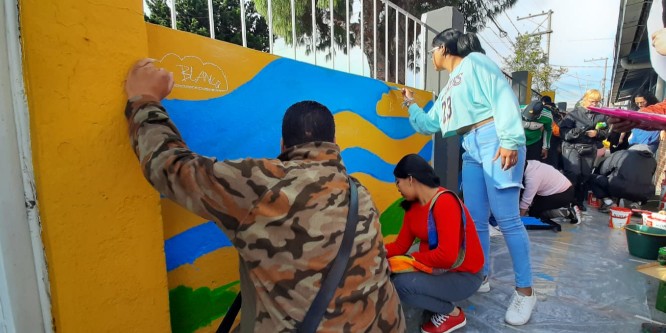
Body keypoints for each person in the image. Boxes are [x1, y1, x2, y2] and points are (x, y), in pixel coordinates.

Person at [123, 59, 405, 332]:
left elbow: (170, 166)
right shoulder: (360, 192)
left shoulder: (262, 185)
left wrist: (144, 98)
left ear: (283, 144)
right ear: (333, 145)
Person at [401, 28, 536, 326]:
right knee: (475, 219)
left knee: (507, 218)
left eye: (432, 50)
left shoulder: (475, 62)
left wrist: (510, 140)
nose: (432, 57)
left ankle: (525, 291)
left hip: (494, 137)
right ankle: (482, 273)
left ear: (444, 48)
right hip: (470, 146)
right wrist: (410, 104)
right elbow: (428, 123)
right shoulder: (450, 87)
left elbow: (502, 96)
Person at [386, 154, 484, 333]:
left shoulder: (445, 202)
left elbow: (447, 257)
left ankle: (453, 314)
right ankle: (436, 299)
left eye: (397, 182)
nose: (397, 188)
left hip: (465, 276)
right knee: (394, 272)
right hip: (440, 270)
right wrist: (374, 252)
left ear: (410, 179)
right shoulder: (412, 207)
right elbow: (400, 246)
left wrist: (409, 261)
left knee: (401, 285)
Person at [558, 89, 609, 211]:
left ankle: (579, 202)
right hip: (572, 147)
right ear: (585, 99)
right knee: (573, 174)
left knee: (585, 176)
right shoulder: (573, 114)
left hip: (590, 148)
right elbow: (564, 133)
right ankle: (567, 201)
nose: (595, 105)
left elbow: (605, 133)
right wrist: (579, 131)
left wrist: (596, 133)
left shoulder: (601, 116)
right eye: (592, 101)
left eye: (597, 102)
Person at [590, 144, 657, 212]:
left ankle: (609, 202)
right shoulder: (653, 161)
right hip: (644, 193)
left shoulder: (622, 153)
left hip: (619, 187)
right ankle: (636, 204)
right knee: (642, 186)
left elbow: (603, 169)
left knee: (593, 178)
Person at [541, 96, 564, 168]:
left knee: (544, 162)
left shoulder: (543, 109)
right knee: (553, 162)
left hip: (546, 138)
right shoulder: (559, 111)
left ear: (543, 102)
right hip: (557, 139)